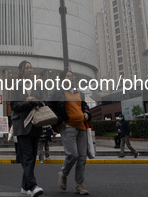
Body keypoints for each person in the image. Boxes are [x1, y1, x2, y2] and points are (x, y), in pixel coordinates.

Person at [47, 69, 90, 196]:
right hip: (68, 127)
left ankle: (79, 185)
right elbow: (49, 105)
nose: (71, 78)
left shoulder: (79, 92)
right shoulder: (58, 91)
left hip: (81, 126)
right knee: (73, 154)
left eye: (73, 76)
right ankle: (63, 173)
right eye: (68, 76)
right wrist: (60, 120)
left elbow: (84, 106)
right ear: (62, 79)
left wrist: (87, 113)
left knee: (82, 157)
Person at [11, 60, 44, 197]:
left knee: (32, 156)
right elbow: (14, 105)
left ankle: (25, 186)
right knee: (28, 156)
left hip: (35, 125)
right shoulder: (16, 86)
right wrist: (27, 102)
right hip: (22, 125)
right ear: (22, 71)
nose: (30, 70)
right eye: (27, 68)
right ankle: (33, 185)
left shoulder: (37, 86)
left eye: (31, 68)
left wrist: (35, 101)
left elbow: (43, 103)